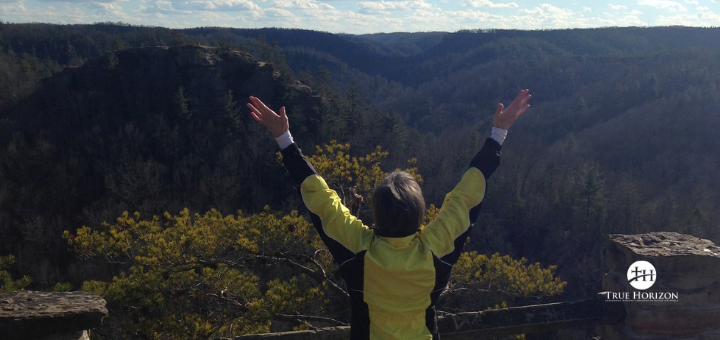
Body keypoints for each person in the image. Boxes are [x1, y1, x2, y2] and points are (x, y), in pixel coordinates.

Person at [247, 89, 531, 340]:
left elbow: (321, 199)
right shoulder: (435, 248)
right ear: (420, 213)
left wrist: (284, 139)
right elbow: (467, 195)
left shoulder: (360, 249)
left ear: (377, 213)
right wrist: (498, 135)